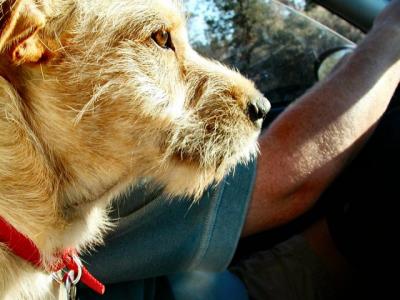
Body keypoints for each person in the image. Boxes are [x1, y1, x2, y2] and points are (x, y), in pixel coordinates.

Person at [79, 1, 400, 299]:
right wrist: (392, 31)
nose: (255, 102)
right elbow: (286, 181)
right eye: (161, 40)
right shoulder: (89, 146)